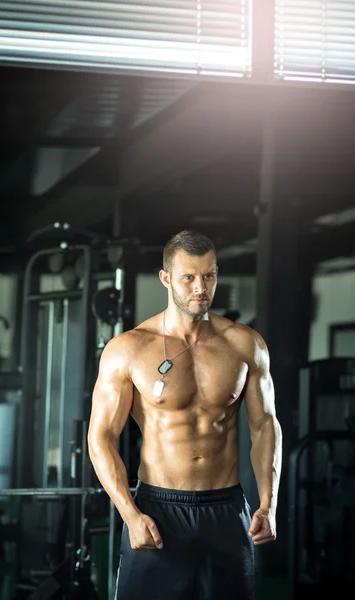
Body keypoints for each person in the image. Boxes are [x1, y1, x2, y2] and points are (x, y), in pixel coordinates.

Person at [88, 230, 282, 600]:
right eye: (188, 277)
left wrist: (268, 504)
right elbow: (101, 437)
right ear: (166, 278)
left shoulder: (244, 344)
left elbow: (264, 426)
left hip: (226, 510)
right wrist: (130, 514)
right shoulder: (128, 348)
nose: (200, 287)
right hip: (159, 510)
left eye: (208, 275)